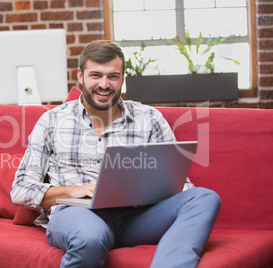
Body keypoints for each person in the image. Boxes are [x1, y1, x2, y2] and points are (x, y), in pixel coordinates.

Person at [11, 40, 221, 267]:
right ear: (80, 76)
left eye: (113, 76)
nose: (104, 84)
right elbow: (20, 188)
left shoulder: (149, 118)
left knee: (204, 197)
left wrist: (159, 190)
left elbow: (178, 184)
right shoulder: (52, 120)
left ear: (122, 78)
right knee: (90, 237)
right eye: (96, 75)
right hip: (77, 215)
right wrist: (75, 191)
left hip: (136, 218)